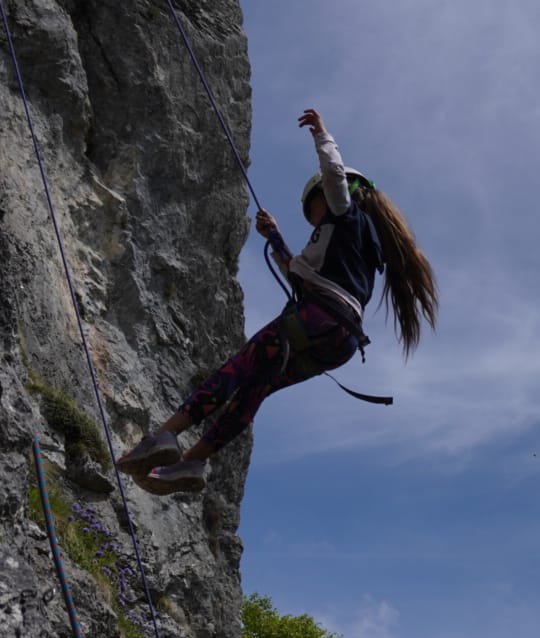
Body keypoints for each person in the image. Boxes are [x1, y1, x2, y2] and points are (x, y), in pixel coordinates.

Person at [115, 108, 437, 494]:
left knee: (238, 367)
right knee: (257, 386)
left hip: (317, 320)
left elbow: (334, 176)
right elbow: (301, 273)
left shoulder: (346, 214)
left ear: (328, 197)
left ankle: (165, 435)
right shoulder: (362, 243)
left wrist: (322, 135)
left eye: (312, 209)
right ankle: (193, 461)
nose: (313, 218)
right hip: (341, 342)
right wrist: (275, 238)